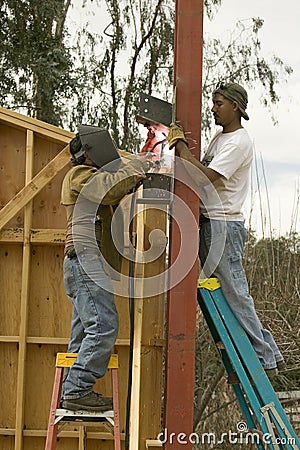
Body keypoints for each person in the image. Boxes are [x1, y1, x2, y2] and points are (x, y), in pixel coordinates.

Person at [167, 82, 285, 377]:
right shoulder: (221, 138)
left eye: (219, 103)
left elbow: (204, 178)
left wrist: (180, 146)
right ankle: (260, 353)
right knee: (228, 294)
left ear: (236, 106)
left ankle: (264, 356)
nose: (213, 109)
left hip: (224, 225)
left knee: (235, 293)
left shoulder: (238, 143)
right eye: (213, 103)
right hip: (211, 223)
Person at [60, 125, 150, 411]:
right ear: (88, 154)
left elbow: (115, 185)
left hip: (87, 264)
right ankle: (76, 389)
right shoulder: (78, 175)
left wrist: (134, 174)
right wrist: (138, 166)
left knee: (84, 333)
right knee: (103, 326)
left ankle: (70, 391)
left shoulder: (90, 176)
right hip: (86, 261)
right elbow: (110, 189)